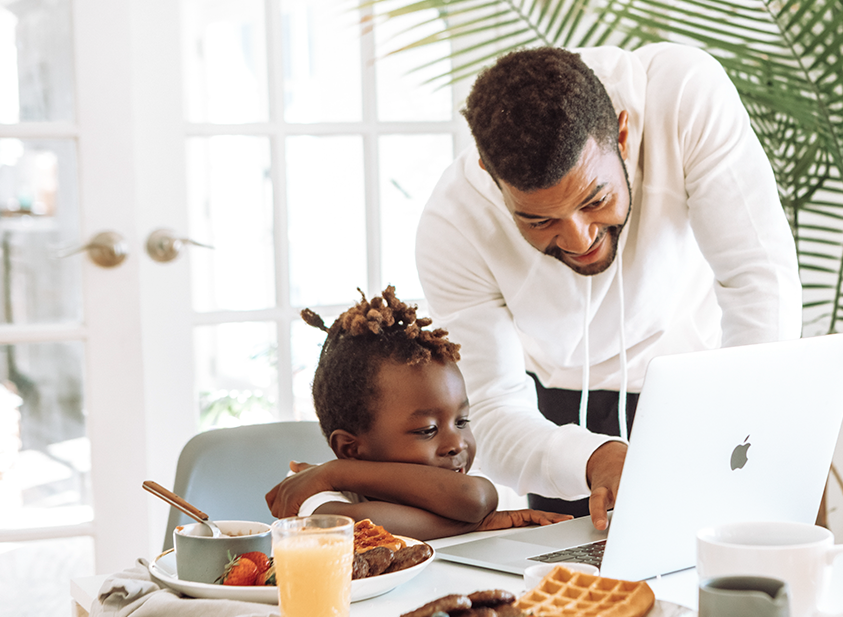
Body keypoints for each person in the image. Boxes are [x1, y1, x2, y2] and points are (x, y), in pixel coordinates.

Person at [415, 43, 802, 528]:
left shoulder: (682, 96)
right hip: (551, 417)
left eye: (595, 199)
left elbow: (759, 277)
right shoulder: (452, 225)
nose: (579, 239)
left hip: (700, 387)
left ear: (622, 135)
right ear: (491, 179)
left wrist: (743, 426)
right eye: (539, 221)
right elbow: (488, 409)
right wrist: (589, 458)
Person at [264, 286, 571, 540]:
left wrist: (336, 471)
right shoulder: (307, 490)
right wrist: (480, 523)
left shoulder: (446, 471)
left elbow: (476, 498)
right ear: (351, 448)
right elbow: (360, 528)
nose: (457, 443)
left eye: (462, 421)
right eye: (427, 430)